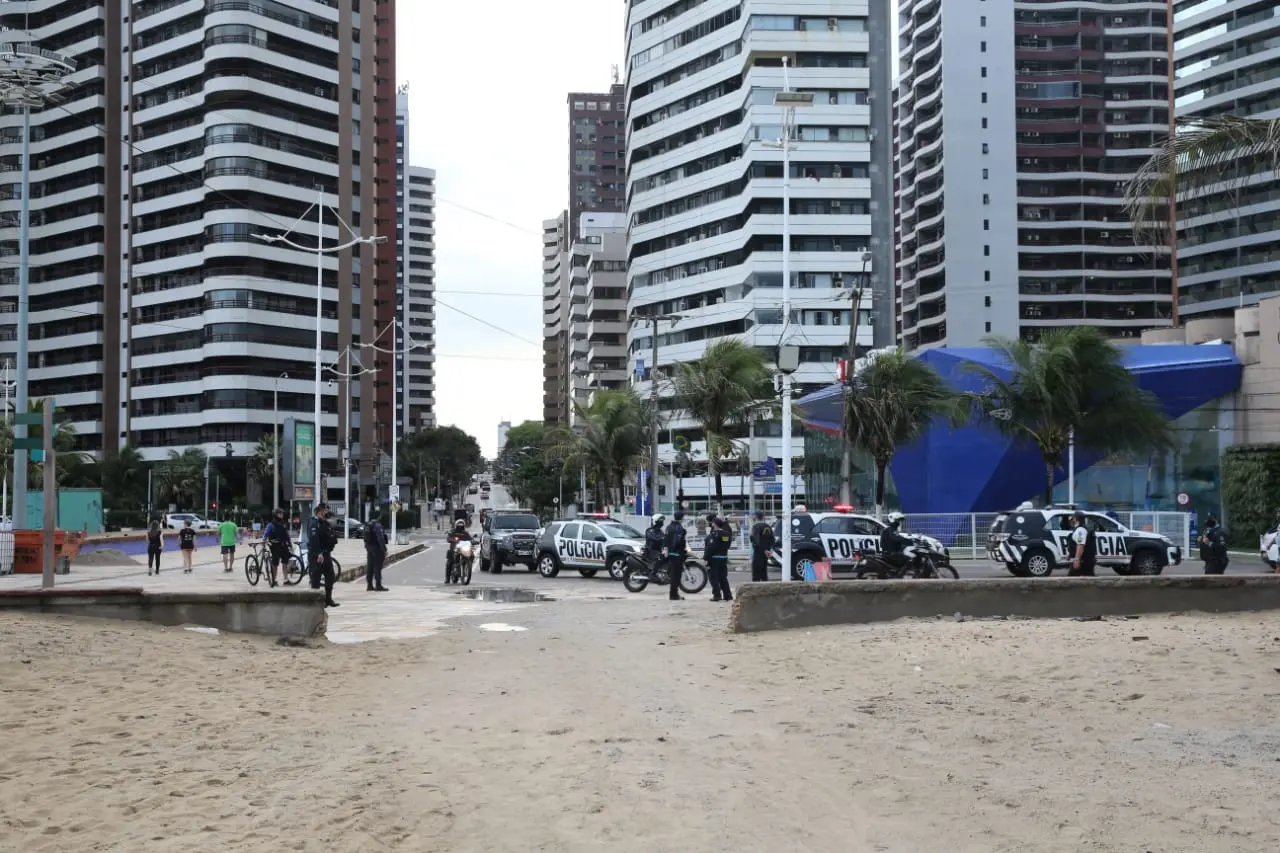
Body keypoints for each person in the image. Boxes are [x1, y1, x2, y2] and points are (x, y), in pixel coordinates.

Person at [308, 503, 339, 607]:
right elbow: (314, 540)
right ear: (320, 511)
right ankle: (315, 602)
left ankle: (328, 599)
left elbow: (330, 535)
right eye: (325, 510)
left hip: (326, 554)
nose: (327, 512)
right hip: (317, 555)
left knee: (330, 576)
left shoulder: (325, 523)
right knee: (316, 579)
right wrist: (318, 553)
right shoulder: (314, 523)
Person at [705, 516, 733, 602]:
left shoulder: (713, 535)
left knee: (713, 578)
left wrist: (706, 557)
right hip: (723, 557)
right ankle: (728, 595)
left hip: (714, 559)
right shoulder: (726, 534)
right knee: (723, 577)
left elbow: (710, 547)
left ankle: (717, 595)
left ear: (715, 524)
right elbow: (727, 545)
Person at [263, 508, 292, 587]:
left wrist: (290, 544)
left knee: (285, 562)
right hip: (275, 546)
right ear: (276, 514)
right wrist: (264, 542)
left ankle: (286, 579)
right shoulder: (271, 524)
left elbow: (287, 535)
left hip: (284, 545)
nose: (282, 515)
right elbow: (266, 535)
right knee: (275, 564)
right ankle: (274, 579)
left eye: (282, 513)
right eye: (280, 513)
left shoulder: (283, 523)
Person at [664, 510, 688, 601]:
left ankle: (674, 594)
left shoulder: (669, 527)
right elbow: (679, 541)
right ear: (681, 518)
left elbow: (666, 540)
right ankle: (674, 595)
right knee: (676, 576)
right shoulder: (679, 528)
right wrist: (683, 551)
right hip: (677, 553)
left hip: (671, 553)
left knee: (674, 574)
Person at [365, 516, 389, 591]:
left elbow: (365, 537)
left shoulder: (368, 524)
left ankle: (369, 585)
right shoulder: (377, 526)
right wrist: (384, 549)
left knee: (370, 567)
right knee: (377, 567)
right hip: (377, 549)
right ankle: (378, 585)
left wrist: (367, 546)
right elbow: (380, 538)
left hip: (369, 548)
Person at [1068, 510, 1096, 576]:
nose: (1072, 520)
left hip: (1083, 561)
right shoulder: (1081, 528)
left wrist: (1077, 559)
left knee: (1071, 579)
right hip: (1085, 560)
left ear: (1076, 519)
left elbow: (1080, 545)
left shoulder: (1080, 530)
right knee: (1088, 578)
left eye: (1073, 518)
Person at [749, 510, 774, 582]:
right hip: (766, 553)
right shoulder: (767, 526)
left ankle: (756, 587)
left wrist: (764, 550)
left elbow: (757, 540)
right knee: (764, 573)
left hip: (758, 551)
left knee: (756, 573)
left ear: (756, 516)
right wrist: (768, 549)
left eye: (753, 515)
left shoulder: (756, 526)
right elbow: (772, 539)